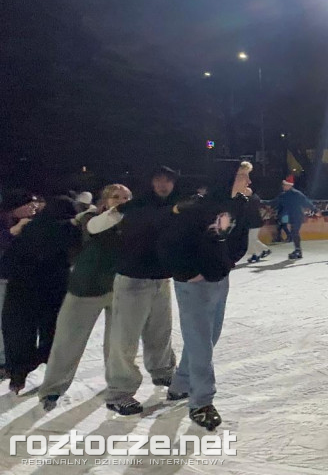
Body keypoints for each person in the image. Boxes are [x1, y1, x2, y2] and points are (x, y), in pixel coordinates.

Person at [158, 160, 251, 431]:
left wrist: (224, 265)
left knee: (210, 336)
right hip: (193, 283)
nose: (248, 183)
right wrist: (188, 273)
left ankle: (180, 384)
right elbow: (167, 244)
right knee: (200, 340)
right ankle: (201, 402)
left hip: (219, 279)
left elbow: (238, 241)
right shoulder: (195, 208)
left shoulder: (239, 204)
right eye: (244, 176)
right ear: (229, 178)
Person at [89, 165, 180, 415]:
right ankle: (119, 392)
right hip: (132, 281)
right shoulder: (133, 207)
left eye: (168, 181)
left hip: (161, 280)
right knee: (125, 339)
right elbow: (94, 227)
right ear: (149, 183)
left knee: (160, 332)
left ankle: (163, 373)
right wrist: (113, 211)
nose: (163, 185)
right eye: (158, 180)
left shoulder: (174, 207)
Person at [38, 185, 131, 410]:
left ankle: (117, 388)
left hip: (120, 288)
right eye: (115, 197)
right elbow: (94, 228)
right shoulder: (91, 218)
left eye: (126, 198)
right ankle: (52, 389)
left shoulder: (133, 221)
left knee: (118, 345)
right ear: (105, 201)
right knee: (67, 342)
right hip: (85, 288)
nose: (121, 201)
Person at [0, 196, 81, 394]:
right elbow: (75, 253)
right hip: (54, 286)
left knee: (19, 331)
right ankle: (47, 367)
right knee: (52, 329)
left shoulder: (27, 227)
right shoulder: (69, 229)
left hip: (21, 284)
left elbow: (10, 257)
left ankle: (18, 373)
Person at [0, 190, 38, 380]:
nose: (33, 207)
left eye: (34, 204)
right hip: (3, 278)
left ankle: (14, 359)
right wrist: (15, 230)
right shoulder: (6, 222)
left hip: (23, 279)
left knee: (18, 323)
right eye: (28, 204)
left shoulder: (33, 224)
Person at [267, 175, 316, 260]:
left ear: (289, 185)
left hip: (297, 216)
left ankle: (298, 250)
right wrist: (259, 201)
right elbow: (274, 202)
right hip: (291, 216)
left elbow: (306, 202)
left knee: (294, 232)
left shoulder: (297, 194)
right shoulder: (283, 195)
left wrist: (315, 210)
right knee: (294, 232)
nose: (283, 186)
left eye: (285, 185)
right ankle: (298, 250)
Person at [241, 162, 271, 263]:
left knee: (251, 239)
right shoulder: (253, 199)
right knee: (252, 239)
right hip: (254, 222)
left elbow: (249, 211)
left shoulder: (251, 200)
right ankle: (265, 250)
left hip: (254, 222)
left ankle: (256, 254)